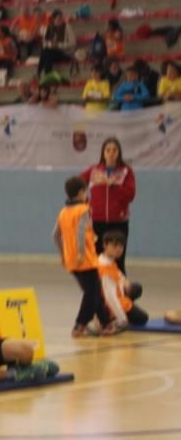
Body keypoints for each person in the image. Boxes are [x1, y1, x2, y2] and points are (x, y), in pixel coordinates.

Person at [54, 176, 112, 337]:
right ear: (81, 192)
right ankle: (80, 324)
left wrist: (63, 255)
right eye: (85, 191)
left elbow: (55, 235)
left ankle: (106, 322)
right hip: (85, 259)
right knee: (91, 293)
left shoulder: (63, 212)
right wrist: (80, 253)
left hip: (71, 260)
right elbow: (81, 233)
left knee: (94, 291)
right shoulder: (84, 210)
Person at [80, 137, 136, 273]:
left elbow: (130, 195)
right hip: (97, 222)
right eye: (108, 150)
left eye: (114, 150)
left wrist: (113, 185)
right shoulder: (94, 171)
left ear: (119, 153)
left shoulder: (126, 171)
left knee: (117, 262)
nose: (111, 153)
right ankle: (99, 292)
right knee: (98, 260)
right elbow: (77, 184)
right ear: (103, 153)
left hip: (118, 223)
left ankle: (120, 292)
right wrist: (85, 200)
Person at [98, 231, 148, 331]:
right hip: (110, 303)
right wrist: (122, 318)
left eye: (121, 246)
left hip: (117, 294)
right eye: (114, 246)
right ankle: (113, 317)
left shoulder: (105, 259)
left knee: (136, 288)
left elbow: (118, 274)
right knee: (142, 318)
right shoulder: (105, 269)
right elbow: (110, 297)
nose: (118, 249)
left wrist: (124, 281)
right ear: (105, 245)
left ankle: (123, 310)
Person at [38, 10, 76, 77]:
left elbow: (73, 43)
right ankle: (46, 74)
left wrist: (59, 45)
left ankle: (41, 74)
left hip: (64, 53)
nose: (61, 20)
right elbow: (45, 43)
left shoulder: (67, 27)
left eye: (61, 18)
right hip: (52, 52)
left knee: (46, 52)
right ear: (53, 19)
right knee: (46, 51)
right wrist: (50, 45)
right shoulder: (49, 27)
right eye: (59, 18)